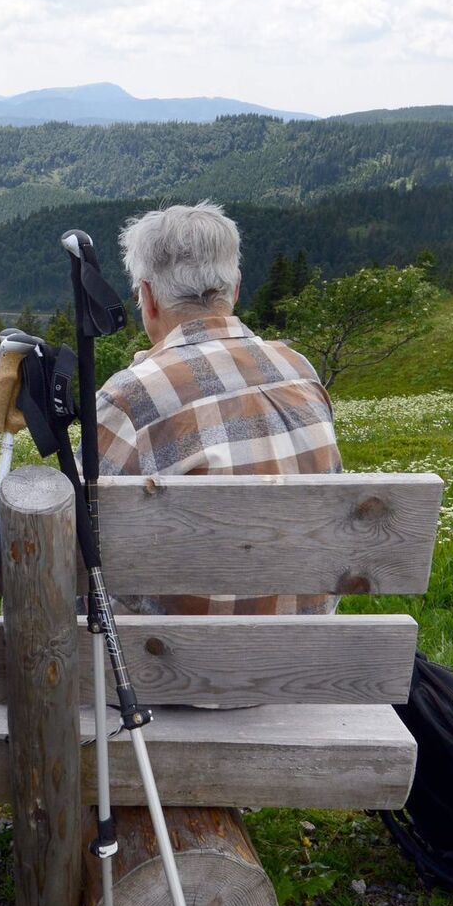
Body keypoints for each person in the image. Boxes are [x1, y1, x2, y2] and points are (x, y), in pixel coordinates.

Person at [96, 200, 342, 619]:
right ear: (236, 288)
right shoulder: (300, 370)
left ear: (148, 298)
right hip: (311, 646)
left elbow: (84, 542)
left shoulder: (129, 397)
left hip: (173, 655)